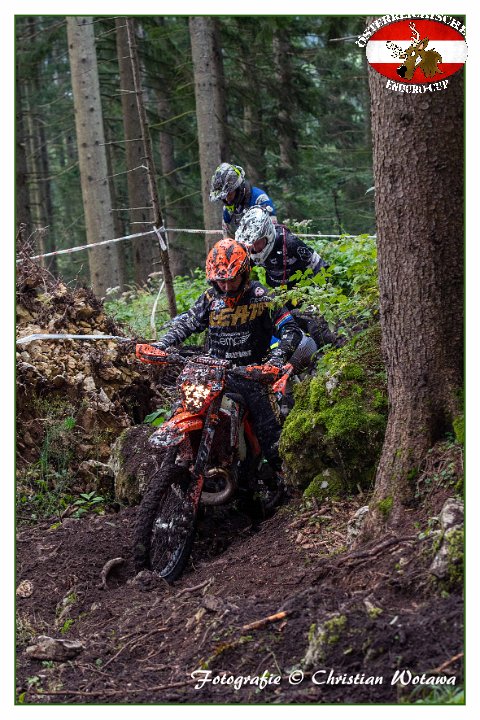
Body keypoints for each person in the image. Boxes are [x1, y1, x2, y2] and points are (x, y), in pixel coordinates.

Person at [147, 238, 303, 476]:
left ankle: (282, 480)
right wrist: (162, 345)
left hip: (251, 374)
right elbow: (187, 323)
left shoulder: (261, 296)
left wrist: (276, 360)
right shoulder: (210, 298)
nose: (227, 286)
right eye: (221, 281)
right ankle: (175, 463)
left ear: (244, 273)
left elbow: (291, 329)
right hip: (213, 373)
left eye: (232, 280)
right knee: (181, 406)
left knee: (270, 434)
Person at [235, 206, 337, 349]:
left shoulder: (290, 243)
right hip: (281, 297)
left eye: (257, 242)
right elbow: (239, 276)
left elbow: (322, 268)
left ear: (267, 235)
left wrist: (320, 298)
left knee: (317, 329)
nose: (254, 248)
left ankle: (332, 348)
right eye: (251, 244)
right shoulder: (250, 250)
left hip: (306, 295)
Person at [209, 163, 277, 237]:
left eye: (229, 194)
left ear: (238, 189)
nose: (227, 199)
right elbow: (227, 239)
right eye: (223, 197)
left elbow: (273, 234)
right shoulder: (227, 210)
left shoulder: (260, 199)